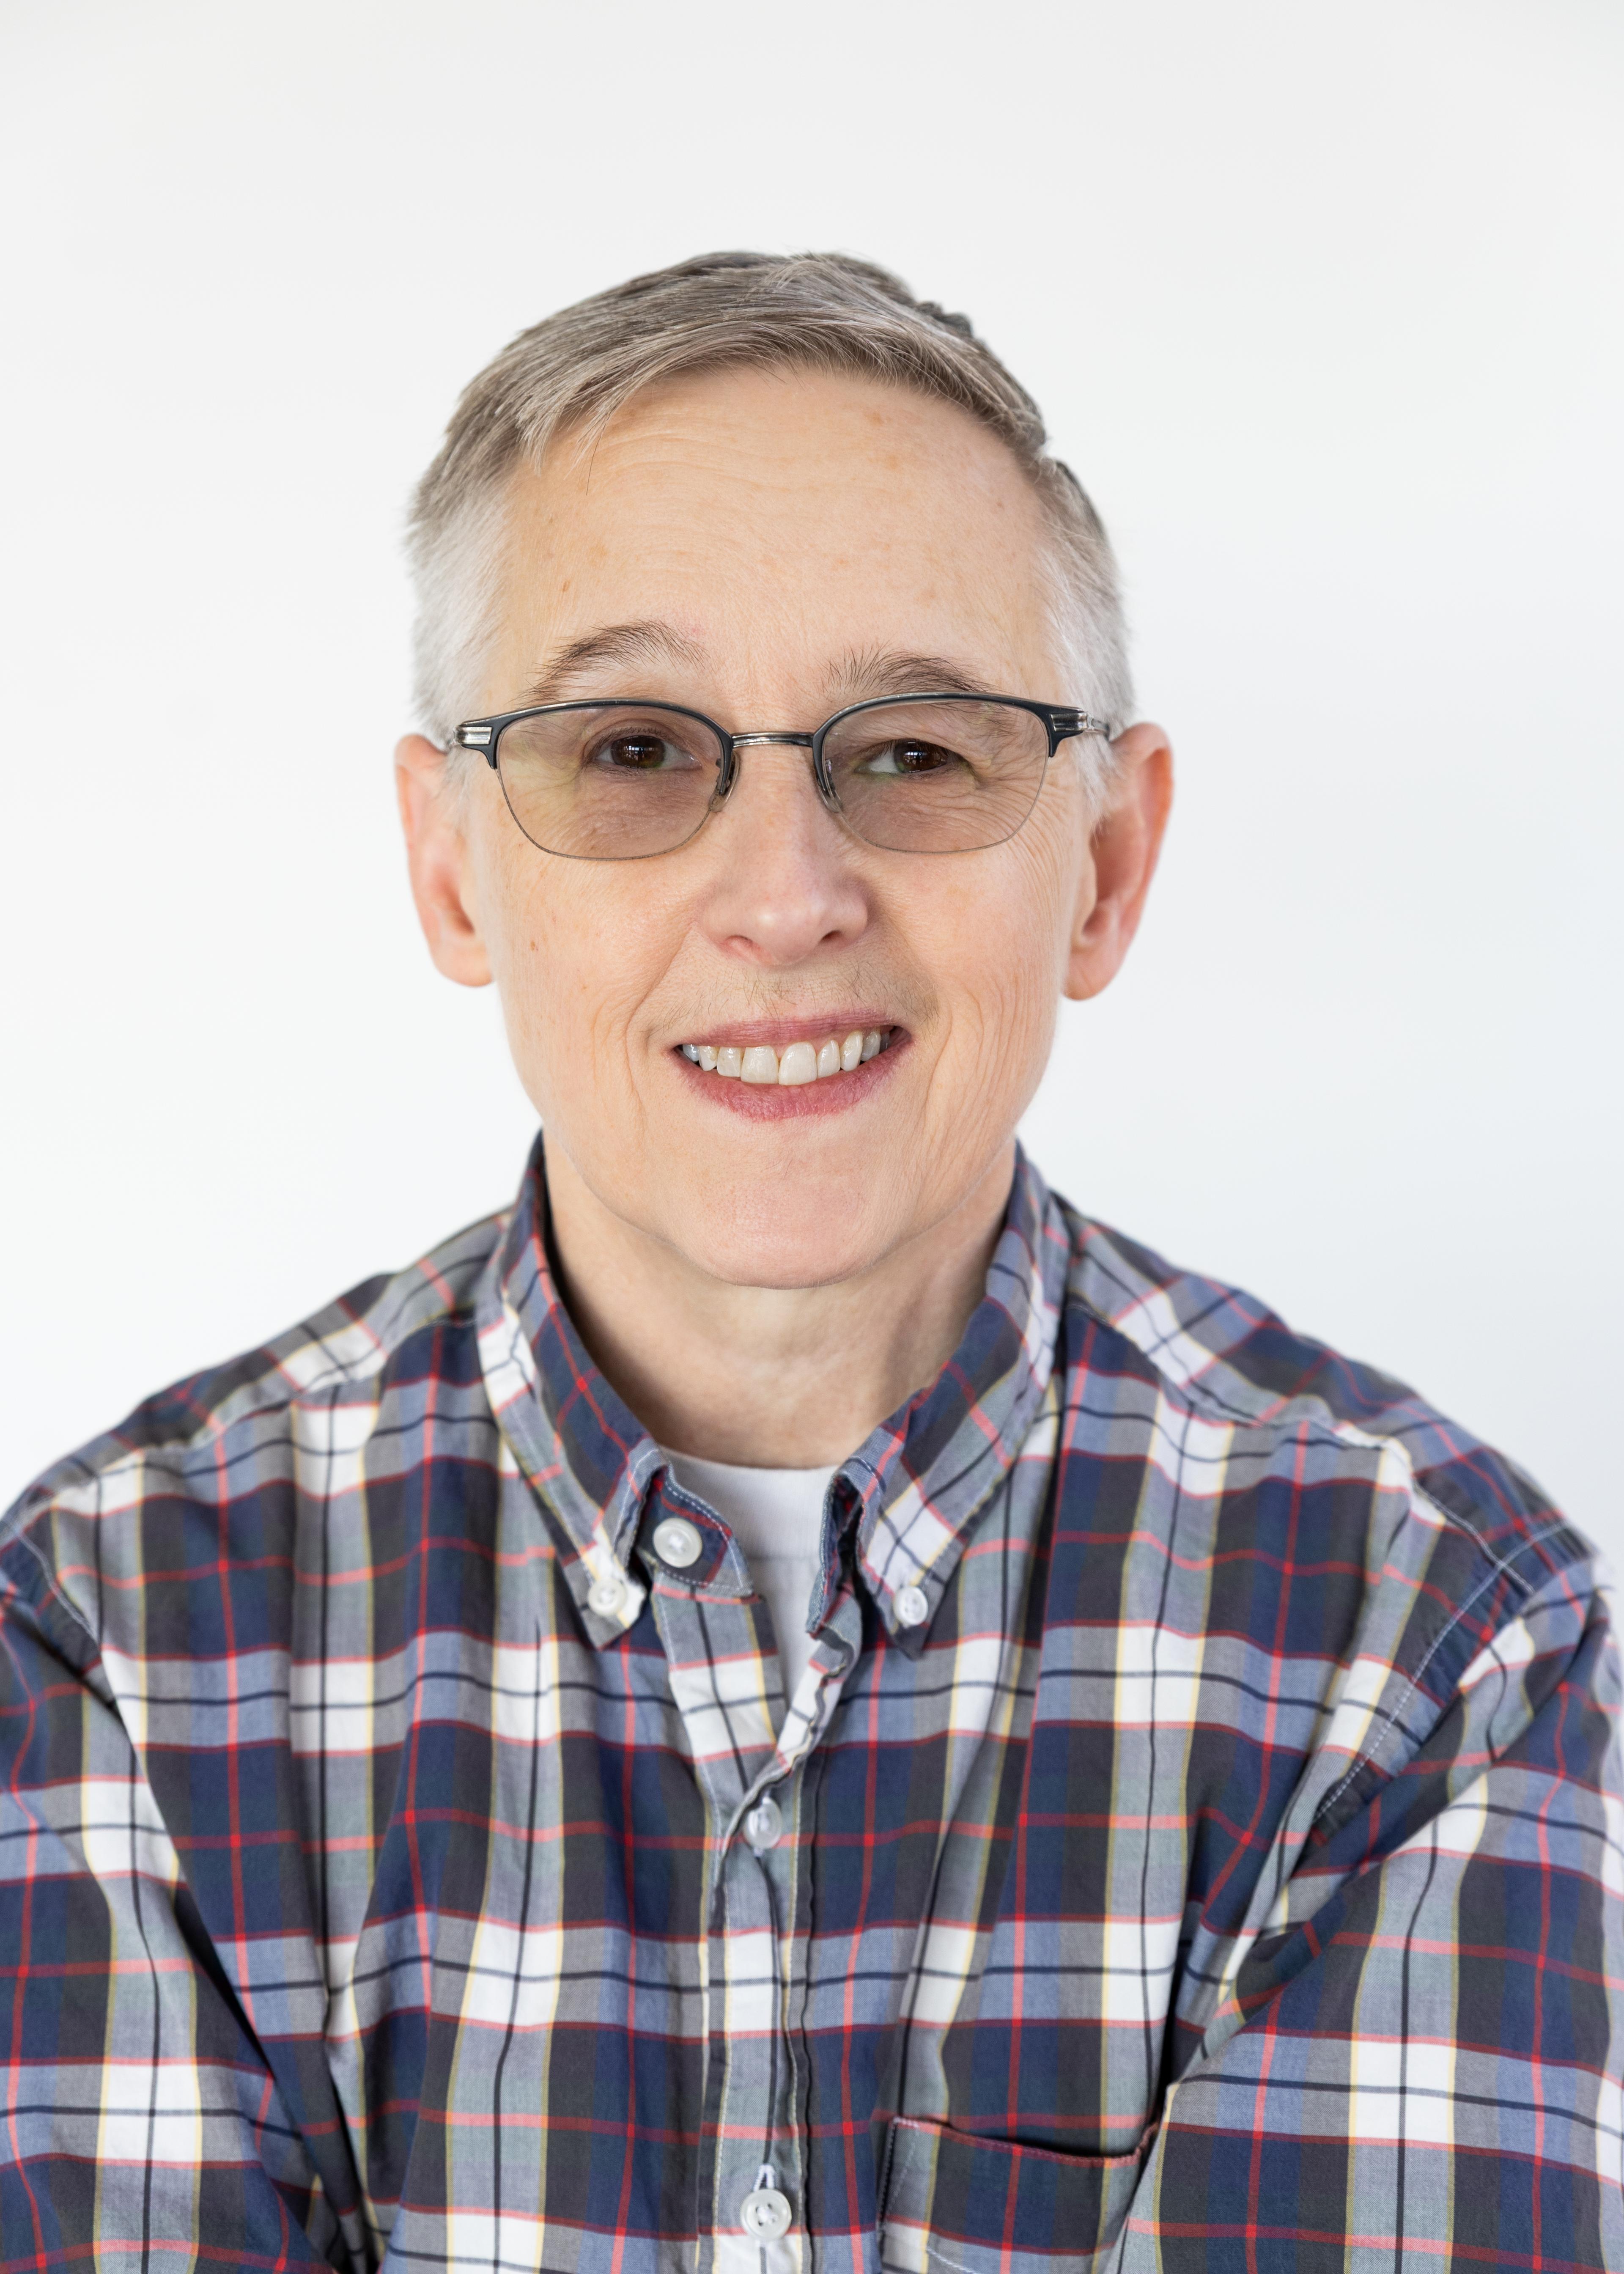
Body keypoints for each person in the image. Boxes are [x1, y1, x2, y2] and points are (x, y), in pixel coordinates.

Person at [2, 251, 1618, 2274]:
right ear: (450, 862)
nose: (786, 899)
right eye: (632, 750)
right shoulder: (115, 1644)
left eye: (919, 751)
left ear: (1105, 868)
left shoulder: (1435, 1644)